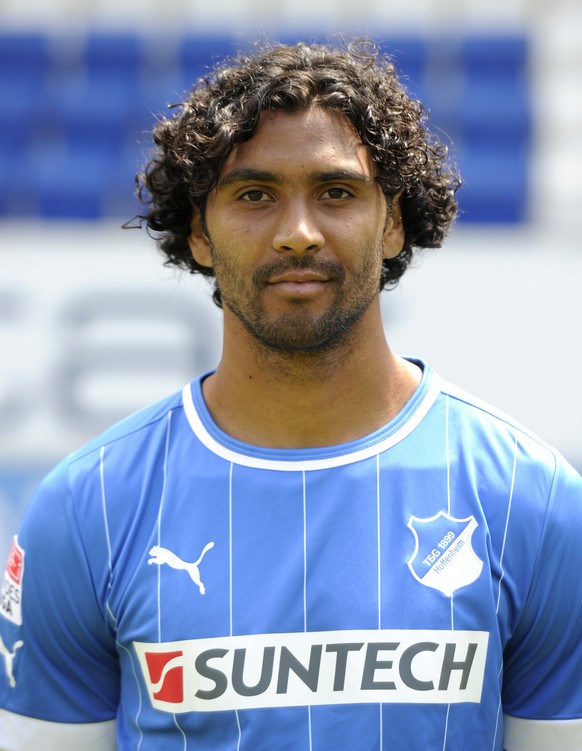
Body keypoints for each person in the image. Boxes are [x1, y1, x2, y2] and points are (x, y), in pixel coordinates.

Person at [1, 39, 581, 751]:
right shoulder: (86, 509)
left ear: (392, 221)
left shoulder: (536, 499)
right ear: (199, 231)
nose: (299, 234)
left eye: (337, 192)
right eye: (254, 195)